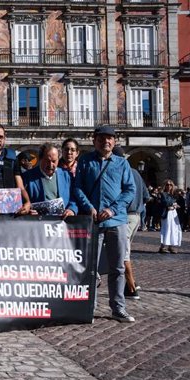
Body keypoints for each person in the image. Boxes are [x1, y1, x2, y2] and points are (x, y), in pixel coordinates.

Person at [73, 125, 136, 323]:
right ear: (94, 141)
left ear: (114, 142)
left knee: (117, 267)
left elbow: (129, 190)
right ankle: (88, 308)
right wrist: (89, 207)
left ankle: (118, 308)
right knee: (91, 268)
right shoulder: (84, 161)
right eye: (101, 138)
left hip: (116, 221)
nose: (105, 142)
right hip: (94, 221)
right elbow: (78, 188)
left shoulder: (122, 163)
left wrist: (112, 209)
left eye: (109, 139)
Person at [112, 146, 149, 300]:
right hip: (137, 216)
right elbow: (147, 196)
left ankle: (131, 287)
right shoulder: (136, 173)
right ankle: (131, 282)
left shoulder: (120, 170)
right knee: (125, 250)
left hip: (125, 216)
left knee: (123, 253)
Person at [21, 142, 77, 218]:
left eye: (54, 161)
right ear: (40, 159)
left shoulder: (67, 176)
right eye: (47, 161)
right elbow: (22, 202)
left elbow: (74, 198)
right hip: (38, 224)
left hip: (62, 223)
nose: (50, 165)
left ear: (58, 159)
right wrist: (28, 211)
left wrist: (72, 210)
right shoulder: (27, 177)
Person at [159, 179, 182, 254]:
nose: (169, 186)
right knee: (166, 229)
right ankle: (162, 246)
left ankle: (171, 246)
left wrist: (173, 206)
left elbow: (179, 203)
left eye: (170, 185)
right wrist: (173, 204)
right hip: (167, 214)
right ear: (165, 186)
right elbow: (166, 203)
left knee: (174, 229)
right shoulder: (163, 194)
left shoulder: (173, 194)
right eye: (167, 185)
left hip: (173, 213)